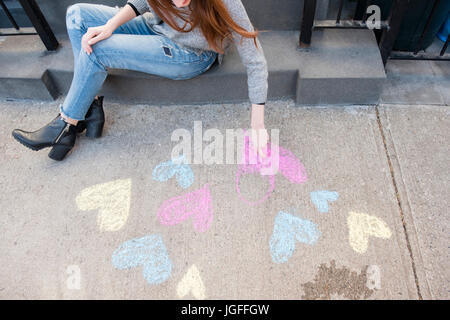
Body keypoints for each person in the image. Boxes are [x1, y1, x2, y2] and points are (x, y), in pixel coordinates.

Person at [12, 0, 269, 161]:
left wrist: (257, 124)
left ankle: (66, 123)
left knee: (99, 50)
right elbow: (141, 3)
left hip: (191, 54)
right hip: (155, 26)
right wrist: (110, 25)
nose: (179, 2)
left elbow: (254, 58)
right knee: (77, 15)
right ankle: (90, 109)